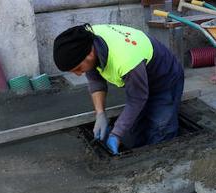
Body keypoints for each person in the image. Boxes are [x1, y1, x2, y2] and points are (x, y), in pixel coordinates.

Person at [53, 24, 184, 155]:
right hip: (140, 78)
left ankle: (163, 161)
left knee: (161, 127)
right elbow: (96, 80)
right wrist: (100, 113)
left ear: (90, 54)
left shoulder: (126, 60)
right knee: (136, 128)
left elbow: (137, 99)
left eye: (78, 68)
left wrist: (116, 134)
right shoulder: (86, 41)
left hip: (165, 78)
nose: (78, 73)